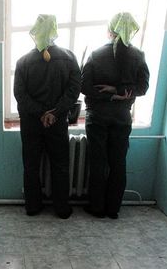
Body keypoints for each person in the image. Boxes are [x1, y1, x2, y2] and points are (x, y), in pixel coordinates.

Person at [81, 12, 149, 219]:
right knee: (118, 163)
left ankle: (97, 207)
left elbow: (84, 87)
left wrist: (111, 93)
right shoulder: (138, 56)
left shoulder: (96, 55)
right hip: (122, 117)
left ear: (110, 30)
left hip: (98, 116)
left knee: (98, 162)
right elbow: (143, 88)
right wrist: (120, 91)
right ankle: (113, 209)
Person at [14, 14, 81, 219]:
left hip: (31, 123)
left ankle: (33, 207)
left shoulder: (23, 61)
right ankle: (62, 208)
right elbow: (74, 90)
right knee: (60, 165)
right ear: (55, 31)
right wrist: (55, 112)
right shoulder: (69, 58)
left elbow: (20, 94)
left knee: (31, 165)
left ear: (35, 32)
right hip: (57, 122)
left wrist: (40, 113)